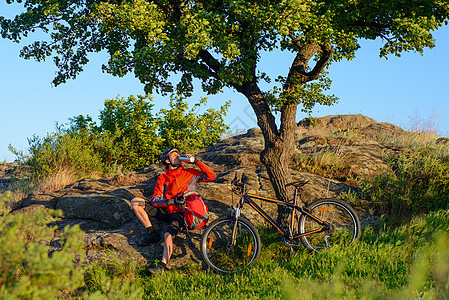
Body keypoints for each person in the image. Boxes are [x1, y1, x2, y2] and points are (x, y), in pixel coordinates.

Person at [131, 148, 216, 274]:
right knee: (135, 202)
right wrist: (172, 201)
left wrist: (197, 162)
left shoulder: (189, 173)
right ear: (166, 160)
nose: (177, 155)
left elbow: (212, 175)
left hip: (180, 213)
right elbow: (155, 200)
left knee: (168, 235)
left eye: (177, 153)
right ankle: (152, 232)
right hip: (166, 209)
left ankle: (162, 266)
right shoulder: (162, 177)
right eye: (173, 154)